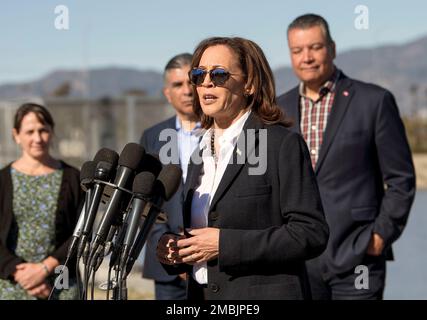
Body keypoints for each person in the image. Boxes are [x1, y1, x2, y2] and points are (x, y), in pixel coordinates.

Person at [156, 37, 329, 300]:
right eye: (199, 75)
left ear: (249, 84)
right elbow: (205, 234)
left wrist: (224, 245)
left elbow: (310, 233)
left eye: (220, 74)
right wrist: (179, 250)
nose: (206, 83)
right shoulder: (199, 152)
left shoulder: (281, 144)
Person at [277, 14, 416, 299]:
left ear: (333, 48)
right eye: (297, 50)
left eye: (315, 47)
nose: (307, 58)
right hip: (298, 262)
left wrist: (379, 236)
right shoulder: (279, 110)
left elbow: (401, 180)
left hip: (358, 259)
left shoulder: (373, 102)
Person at [0, 103, 84, 300]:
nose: (37, 138)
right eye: (30, 131)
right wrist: (19, 272)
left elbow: (82, 233)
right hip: (13, 284)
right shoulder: (2, 180)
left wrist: (45, 269)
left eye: (43, 130)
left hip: (61, 284)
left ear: (52, 132)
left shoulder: (74, 178)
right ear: (16, 135)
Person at [140, 53, 201, 300]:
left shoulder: (224, 133)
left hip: (213, 262)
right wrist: (170, 249)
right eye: (178, 85)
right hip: (167, 268)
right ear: (167, 93)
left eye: (191, 82)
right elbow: (146, 204)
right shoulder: (153, 137)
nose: (187, 91)